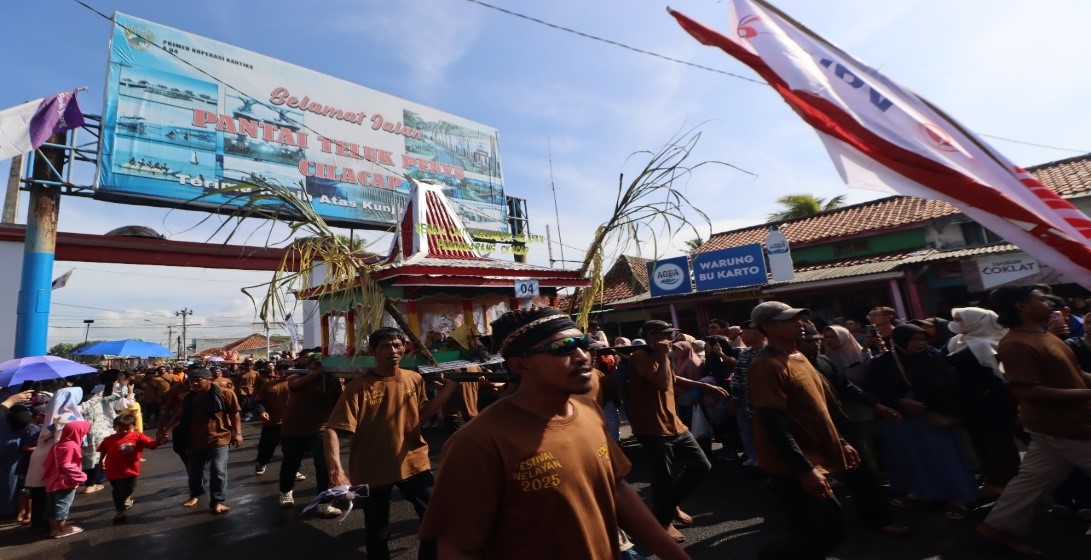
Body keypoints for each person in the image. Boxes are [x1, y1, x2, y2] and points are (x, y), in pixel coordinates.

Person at [418, 306, 690, 560]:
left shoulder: (588, 411)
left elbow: (616, 490)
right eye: (563, 348)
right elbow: (457, 547)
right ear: (519, 365)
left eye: (584, 344)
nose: (583, 356)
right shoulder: (478, 441)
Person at [323, 327, 459, 560]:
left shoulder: (413, 378)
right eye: (385, 346)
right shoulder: (359, 387)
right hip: (371, 469)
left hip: (413, 461)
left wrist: (448, 390)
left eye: (397, 345)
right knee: (377, 531)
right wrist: (336, 471)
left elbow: (422, 415)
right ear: (373, 351)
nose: (393, 350)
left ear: (404, 348)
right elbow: (332, 429)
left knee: (435, 518)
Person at [977, 286, 1091, 556]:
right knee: (1031, 481)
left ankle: (998, 526)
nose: (1049, 302)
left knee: (1030, 482)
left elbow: (1075, 373)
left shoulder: (1043, 335)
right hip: (1067, 427)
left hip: (1058, 428)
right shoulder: (1016, 343)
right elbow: (1026, 391)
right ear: (1022, 306)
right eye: (1041, 299)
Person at [747, 302, 858, 558]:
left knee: (807, 526)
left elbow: (816, 407)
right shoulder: (766, 365)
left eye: (798, 318)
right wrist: (804, 469)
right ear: (768, 327)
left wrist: (840, 441)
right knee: (832, 528)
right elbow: (772, 422)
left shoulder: (798, 357)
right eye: (789, 320)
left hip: (813, 455)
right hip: (794, 463)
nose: (799, 323)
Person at [797, 322, 909, 537]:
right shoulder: (788, 365)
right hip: (807, 430)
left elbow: (845, 386)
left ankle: (877, 520)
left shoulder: (822, 360)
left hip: (837, 427)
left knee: (860, 474)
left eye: (817, 340)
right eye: (808, 341)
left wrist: (877, 405)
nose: (816, 344)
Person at [863, 324, 979, 519]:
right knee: (912, 457)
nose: (921, 343)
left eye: (923, 339)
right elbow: (871, 387)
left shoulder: (933, 358)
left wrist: (929, 402)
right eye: (915, 339)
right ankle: (920, 492)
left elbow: (949, 385)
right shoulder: (882, 362)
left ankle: (958, 498)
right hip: (900, 419)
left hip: (931, 416)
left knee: (944, 456)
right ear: (899, 341)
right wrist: (899, 401)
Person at [627, 319, 726, 542]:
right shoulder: (640, 357)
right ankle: (662, 523)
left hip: (675, 425)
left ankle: (669, 504)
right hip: (652, 428)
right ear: (651, 336)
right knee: (662, 476)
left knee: (702, 466)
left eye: (672, 335)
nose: (671, 340)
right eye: (666, 335)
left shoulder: (663, 355)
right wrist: (663, 355)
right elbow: (660, 384)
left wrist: (704, 385)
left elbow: (671, 378)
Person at [945, 307, 1020, 496]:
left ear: (977, 322)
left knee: (998, 444)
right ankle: (993, 481)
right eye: (955, 319)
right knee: (981, 444)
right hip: (972, 403)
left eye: (961, 320)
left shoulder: (984, 342)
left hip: (991, 403)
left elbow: (946, 362)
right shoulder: (958, 341)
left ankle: (1008, 483)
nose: (957, 324)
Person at [156, 368, 243, 514]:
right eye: (191, 381)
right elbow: (178, 416)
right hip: (195, 439)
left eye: (198, 380)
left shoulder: (225, 393)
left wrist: (238, 433)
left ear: (210, 380)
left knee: (218, 469)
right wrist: (166, 430)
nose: (194, 383)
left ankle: (218, 501)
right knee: (194, 471)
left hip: (219, 437)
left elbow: (235, 413)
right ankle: (196, 494)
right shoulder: (189, 398)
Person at [277, 354, 342, 517]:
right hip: (293, 429)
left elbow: (339, 401)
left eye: (325, 364)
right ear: (311, 365)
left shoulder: (333, 381)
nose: (321, 367)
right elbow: (296, 386)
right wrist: (321, 371)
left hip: (319, 429)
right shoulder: (296, 376)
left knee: (323, 465)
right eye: (318, 364)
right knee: (291, 462)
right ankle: (285, 491)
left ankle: (324, 502)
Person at [96, 413, 158, 523]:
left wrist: (160, 441)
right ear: (114, 428)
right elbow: (103, 450)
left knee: (130, 487)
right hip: (114, 470)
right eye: (120, 429)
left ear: (133, 426)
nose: (124, 432)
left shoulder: (138, 436)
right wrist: (101, 460)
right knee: (118, 490)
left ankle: (125, 498)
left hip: (131, 469)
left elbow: (152, 445)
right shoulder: (109, 439)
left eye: (127, 429)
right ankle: (120, 511)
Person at [42, 419, 90, 538]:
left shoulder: (57, 445)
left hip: (52, 481)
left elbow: (47, 463)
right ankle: (62, 529)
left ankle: (54, 529)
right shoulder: (72, 445)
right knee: (62, 505)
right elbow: (66, 464)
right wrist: (81, 476)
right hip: (65, 482)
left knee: (52, 506)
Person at [732, 320, 766, 467]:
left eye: (744, 332)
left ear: (756, 332)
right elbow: (738, 377)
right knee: (746, 428)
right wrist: (735, 397)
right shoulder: (744, 353)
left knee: (762, 430)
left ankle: (765, 457)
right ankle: (752, 455)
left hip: (763, 400)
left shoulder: (768, 352)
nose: (742, 336)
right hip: (745, 400)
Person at [252, 360, 291, 475]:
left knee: (291, 450)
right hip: (272, 423)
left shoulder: (298, 384)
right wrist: (262, 412)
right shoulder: (268, 384)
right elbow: (259, 401)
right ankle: (261, 462)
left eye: (286, 368)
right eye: (280, 368)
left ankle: (294, 470)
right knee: (266, 448)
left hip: (291, 424)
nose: (283, 371)